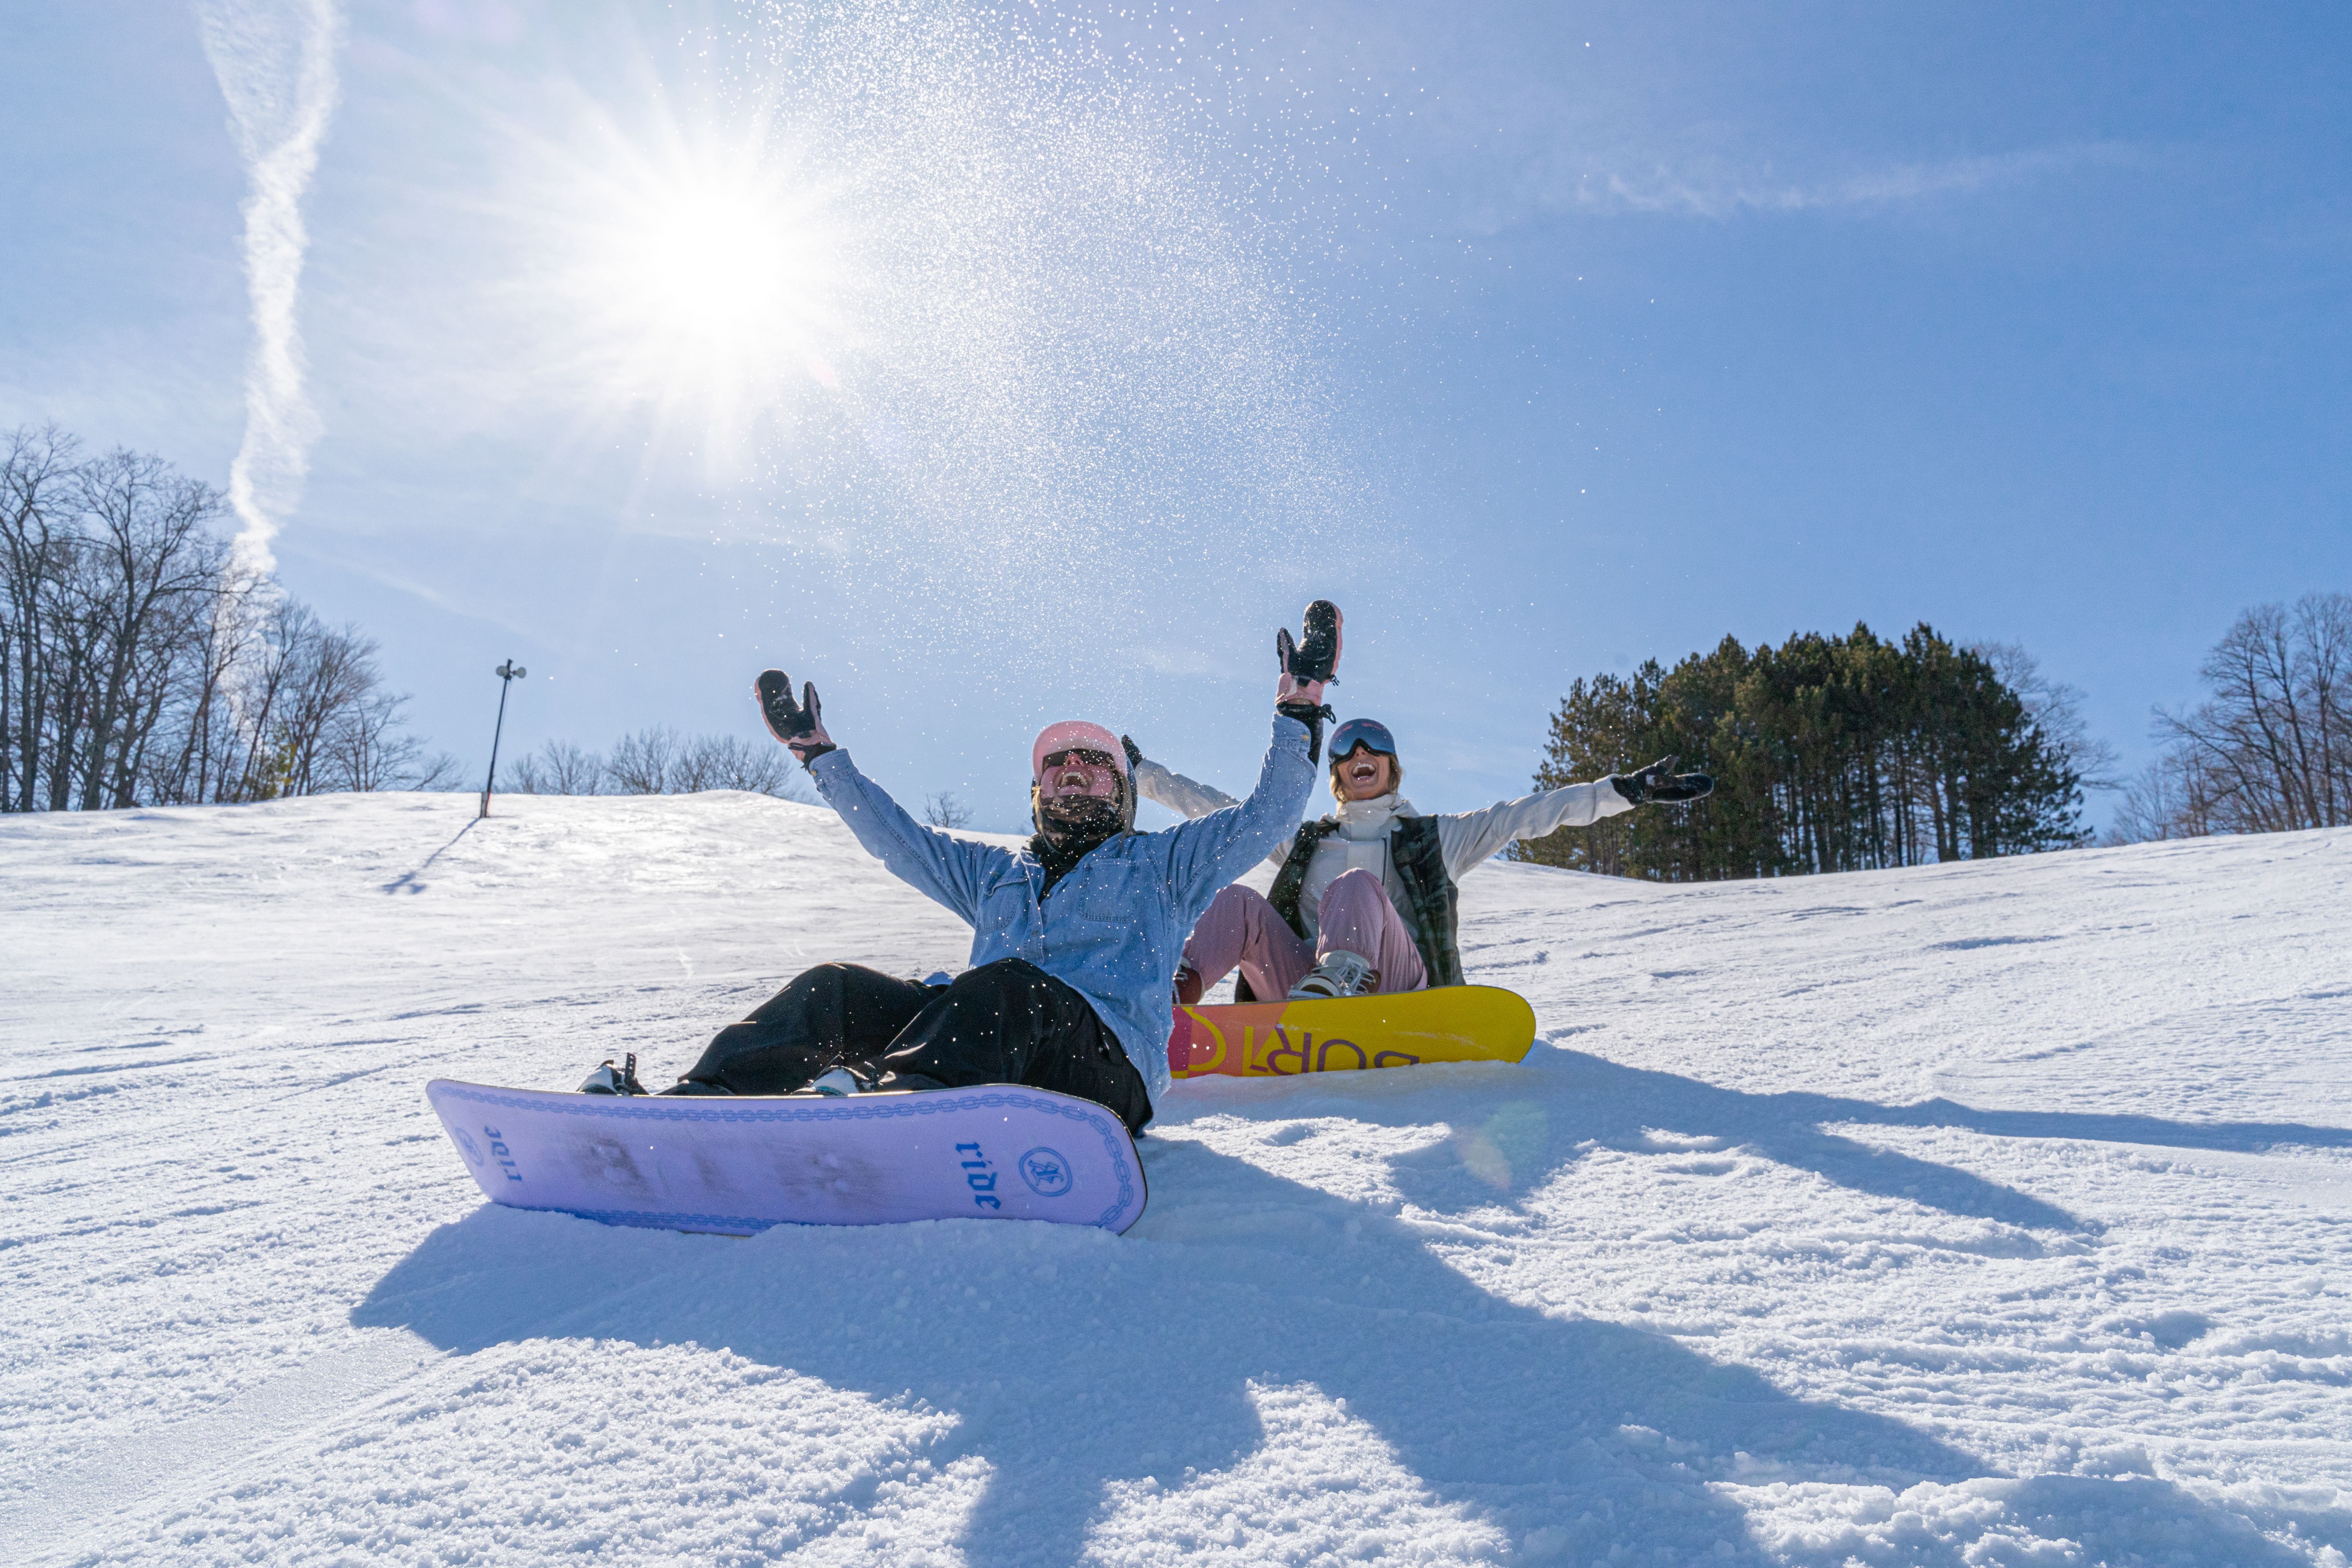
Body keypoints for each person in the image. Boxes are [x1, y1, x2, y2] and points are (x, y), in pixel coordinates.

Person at [579, 603, 1345, 1134]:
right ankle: (694, 1107)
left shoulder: (1162, 864)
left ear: (1121, 793)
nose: (1072, 772)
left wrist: (1302, 709)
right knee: (837, 987)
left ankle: (894, 1109)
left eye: (1093, 765)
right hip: (992, 1052)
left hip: (1104, 1079)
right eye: (1057, 767)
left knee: (1008, 985)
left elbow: (1268, 817)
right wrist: (819, 756)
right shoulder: (996, 874)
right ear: (1038, 794)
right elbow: (901, 841)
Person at [1127, 717, 1712, 1003]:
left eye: (1374, 745)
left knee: (1356, 886)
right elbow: (1223, 813)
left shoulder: (1435, 838)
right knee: (1237, 902)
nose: (1360, 752)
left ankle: (1342, 981)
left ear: (1392, 767)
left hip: (1395, 990)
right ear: (1337, 775)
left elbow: (1527, 815)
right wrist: (1144, 775)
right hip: (1301, 990)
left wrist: (1621, 792)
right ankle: (1175, 997)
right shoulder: (1303, 841)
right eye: (1346, 748)